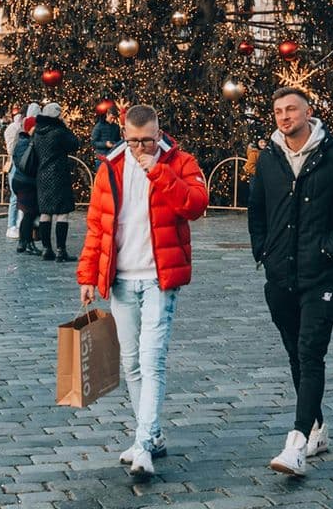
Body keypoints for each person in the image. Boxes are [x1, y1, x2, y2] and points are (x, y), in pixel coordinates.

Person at [77, 104, 210, 481]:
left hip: (158, 277)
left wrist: (158, 170)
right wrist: (88, 276)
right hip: (121, 278)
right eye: (133, 140)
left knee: (152, 361)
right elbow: (97, 227)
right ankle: (151, 434)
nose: (139, 148)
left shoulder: (180, 161)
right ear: (123, 133)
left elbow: (196, 205)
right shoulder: (110, 167)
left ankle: (143, 444)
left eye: (147, 140)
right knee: (131, 362)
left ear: (158, 132)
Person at [248, 86, 333, 478]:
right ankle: (317, 428)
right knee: (295, 353)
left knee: (310, 351)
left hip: (322, 274)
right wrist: (262, 250)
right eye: (278, 110)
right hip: (279, 273)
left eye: (291, 109)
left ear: (309, 112)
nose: (284, 116)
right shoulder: (269, 158)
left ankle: (297, 442)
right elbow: (257, 209)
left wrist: (329, 249)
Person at [31, 102, 81, 261]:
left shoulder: (37, 132)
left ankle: (46, 249)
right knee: (62, 213)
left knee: (45, 213)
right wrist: (65, 127)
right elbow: (75, 144)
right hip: (59, 174)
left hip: (42, 175)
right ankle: (61, 250)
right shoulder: (59, 132)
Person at [11, 105, 40, 254]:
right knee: (30, 213)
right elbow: (28, 164)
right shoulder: (30, 143)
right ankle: (26, 243)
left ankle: (24, 243)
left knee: (29, 213)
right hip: (27, 182)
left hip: (20, 181)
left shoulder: (19, 141)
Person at [2, 105, 24, 239]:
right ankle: (12, 225)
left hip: (18, 163)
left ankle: (18, 224)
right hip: (15, 163)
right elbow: (11, 148)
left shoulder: (18, 127)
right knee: (15, 196)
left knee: (19, 196)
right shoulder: (14, 128)